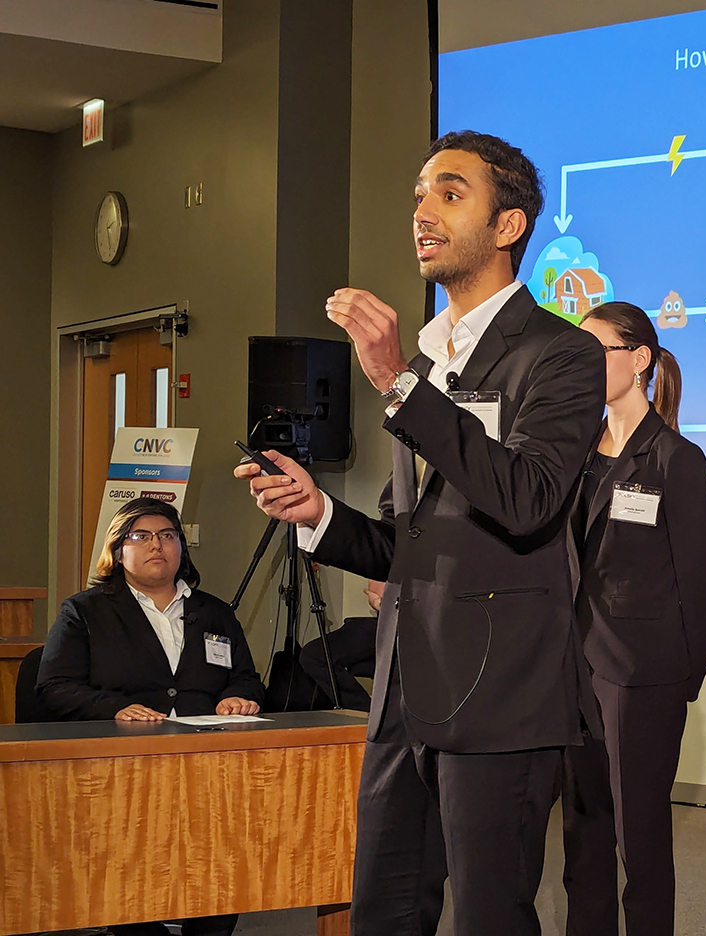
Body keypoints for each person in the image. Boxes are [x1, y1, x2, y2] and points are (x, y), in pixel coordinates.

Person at [234, 130, 605, 936]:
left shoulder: (560, 355)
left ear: (507, 227)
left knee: (487, 918)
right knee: (385, 909)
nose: (422, 212)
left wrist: (399, 382)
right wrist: (318, 514)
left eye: (450, 192)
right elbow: (413, 542)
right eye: (418, 196)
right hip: (404, 686)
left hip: (500, 693)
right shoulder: (434, 363)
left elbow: (528, 499)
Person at [560, 302, 706, 936]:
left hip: (644, 678)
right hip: (573, 669)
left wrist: (679, 683)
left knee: (642, 844)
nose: (580, 365)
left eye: (593, 351)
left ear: (640, 360)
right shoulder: (572, 453)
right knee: (583, 839)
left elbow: (704, 586)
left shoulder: (676, 459)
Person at [37, 497, 263, 936]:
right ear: (118, 549)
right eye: (140, 536)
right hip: (124, 768)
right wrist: (114, 708)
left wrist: (238, 697)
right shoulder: (85, 611)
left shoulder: (215, 611)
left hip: (208, 769)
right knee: (129, 882)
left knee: (219, 873)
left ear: (182, 547)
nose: (156, 545)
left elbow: (248, 678)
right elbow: (53, 688)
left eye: (167, 535)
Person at [299, 579, 382, 712]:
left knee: (315, 655)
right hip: (389, 620)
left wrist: (382, 604)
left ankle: (366, 709)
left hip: (397, 623)